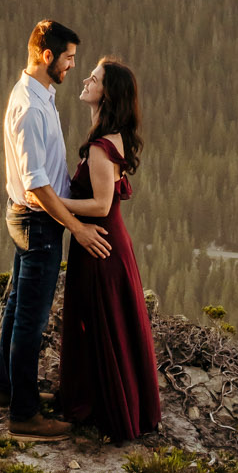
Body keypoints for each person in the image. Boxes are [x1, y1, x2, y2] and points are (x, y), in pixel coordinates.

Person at [0, 18, 112, 440]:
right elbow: (36, 184)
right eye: (68, 58)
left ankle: (9, 393)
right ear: (47, 56)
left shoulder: (39, 94)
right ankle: (24, 417)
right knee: (31, 317)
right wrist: (77, 228)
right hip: (39, 222)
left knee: (15, 309)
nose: (71, 66)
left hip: (32, 219)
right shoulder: (29, 107)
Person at [55, 57, 160, 444]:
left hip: (98, 245)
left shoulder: (101, 147)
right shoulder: (111, 138)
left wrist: (50, 202)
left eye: (94, 78)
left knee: (98, 321)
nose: (85, 80)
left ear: (107, 93)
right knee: (111, 324)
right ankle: (113, 402)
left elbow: (101, 205)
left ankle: (104, 408)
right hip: (110, 244)